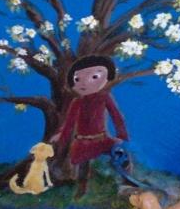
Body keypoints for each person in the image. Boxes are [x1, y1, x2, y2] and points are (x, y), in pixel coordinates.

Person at [50, 55, 128, 199]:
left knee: (120, 156)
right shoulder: (76, 102)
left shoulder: (104, 97)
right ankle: (81, 191)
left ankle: (126, 182)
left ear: (107, 78)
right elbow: (69, 123)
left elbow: (116, 115)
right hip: (82, 142)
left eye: (94, 77)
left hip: (102, 140)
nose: (84, 83)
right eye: (77, 79)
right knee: (83, 168)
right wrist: (61, 137)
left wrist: (121, 135)